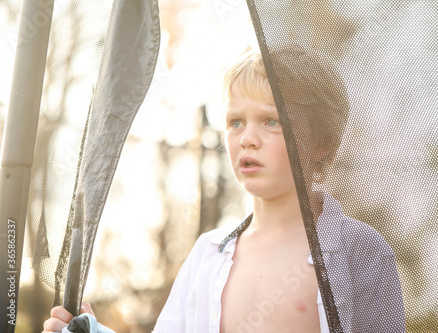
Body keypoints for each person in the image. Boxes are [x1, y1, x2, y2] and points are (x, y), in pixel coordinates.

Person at [44, 49, 405, 333]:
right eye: (236, 122)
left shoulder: (361, 251)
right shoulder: (207, 256)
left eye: (271, 121)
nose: (248, 138)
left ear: (321, 142)